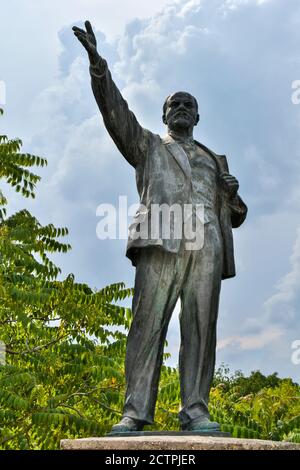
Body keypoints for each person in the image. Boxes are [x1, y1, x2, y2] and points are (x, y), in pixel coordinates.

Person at [73, 21, 247, 433]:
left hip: (207, 244)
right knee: (147, 325)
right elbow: (116, 114)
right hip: (161, 237)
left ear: (198, 116)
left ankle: (196, 410)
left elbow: (235, 215)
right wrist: (99, 68)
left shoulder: (215, 158)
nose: (182, 108)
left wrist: (233, 196)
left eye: (188, 104)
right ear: (164, 114)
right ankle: (134, 411)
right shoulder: (148, 144)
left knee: (201, 329)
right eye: (175, 104)